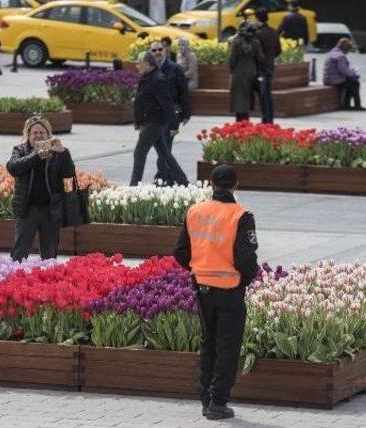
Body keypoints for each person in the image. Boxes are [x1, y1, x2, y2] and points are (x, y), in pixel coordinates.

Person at [173, 165, 258, 421]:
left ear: (211, 184)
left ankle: (205, 398)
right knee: (227, 346)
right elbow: (246, 258)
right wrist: (245, 278)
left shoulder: (195, 211)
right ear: (235, 184)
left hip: (202, 286)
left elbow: (179, 251)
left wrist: (198, 268)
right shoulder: (241, 214)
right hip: (230, 288)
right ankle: (218, 402)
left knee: (208, 342)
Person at [7, 116, 76, 262]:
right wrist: (35, 156)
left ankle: (48, 282)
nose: (38, 136)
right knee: (19, 253)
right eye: (35, 133)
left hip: (50, 210)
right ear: (28, 135)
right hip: (27, 210)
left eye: (41, 133)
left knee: (50, 255)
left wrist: (63, 152)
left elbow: (69, 173)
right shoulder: (20, 150)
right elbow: (13, 168)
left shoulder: (58, 152)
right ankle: (15, 281)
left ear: (48, 135)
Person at [130, 51, 189, 187]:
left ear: (146, 64)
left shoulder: (157, 80)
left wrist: (174, 125)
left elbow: (167, 104)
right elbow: (142, 101)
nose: (137, 66)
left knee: (139, 154)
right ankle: (184, 182)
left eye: (139, 63)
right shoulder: (148, 77)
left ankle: (133, 188)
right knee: (165, 154)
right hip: (149, 122)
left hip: (154, 123)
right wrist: (138, 121)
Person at [150, 39, 190, 185]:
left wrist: (186, 113)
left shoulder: (175, 69)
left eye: (160, 49)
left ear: (165, 50)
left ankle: (163, 176)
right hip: (154, 116)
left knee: (165, 146)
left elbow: (184, 92)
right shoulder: (149, 69)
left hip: (172, 114)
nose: (157, 52)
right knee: (162, 147)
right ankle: (171, 176)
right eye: (154, 50)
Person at [229, 23, 265, 122]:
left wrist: (231, 70)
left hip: (238, 73)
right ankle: (246, 121)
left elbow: (232, 60)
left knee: (238, 98)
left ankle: (239, 122)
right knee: (248, 97)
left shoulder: (236, 42)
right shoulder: (256, 43)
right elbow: (261, 58)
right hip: (251, 72)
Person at [253, 7, 281, 124]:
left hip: (261, 68)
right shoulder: (274, 32)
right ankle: (269, 119)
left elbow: (256, 52)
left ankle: (266, 120)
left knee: (263, 95)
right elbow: (278, 50)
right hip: (270, 66)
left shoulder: (258, 34)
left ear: (257, 18)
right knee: (267, 94)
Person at [323, 38, 366, 111]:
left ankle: (346, 105)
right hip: (335, 80)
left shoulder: (332, 53)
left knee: (349, 83)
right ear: (346, 49)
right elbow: (343, 71)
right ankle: (357, 105)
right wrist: (353, 72)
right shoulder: (340, 56)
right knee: (355, 84)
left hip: (327, 79)